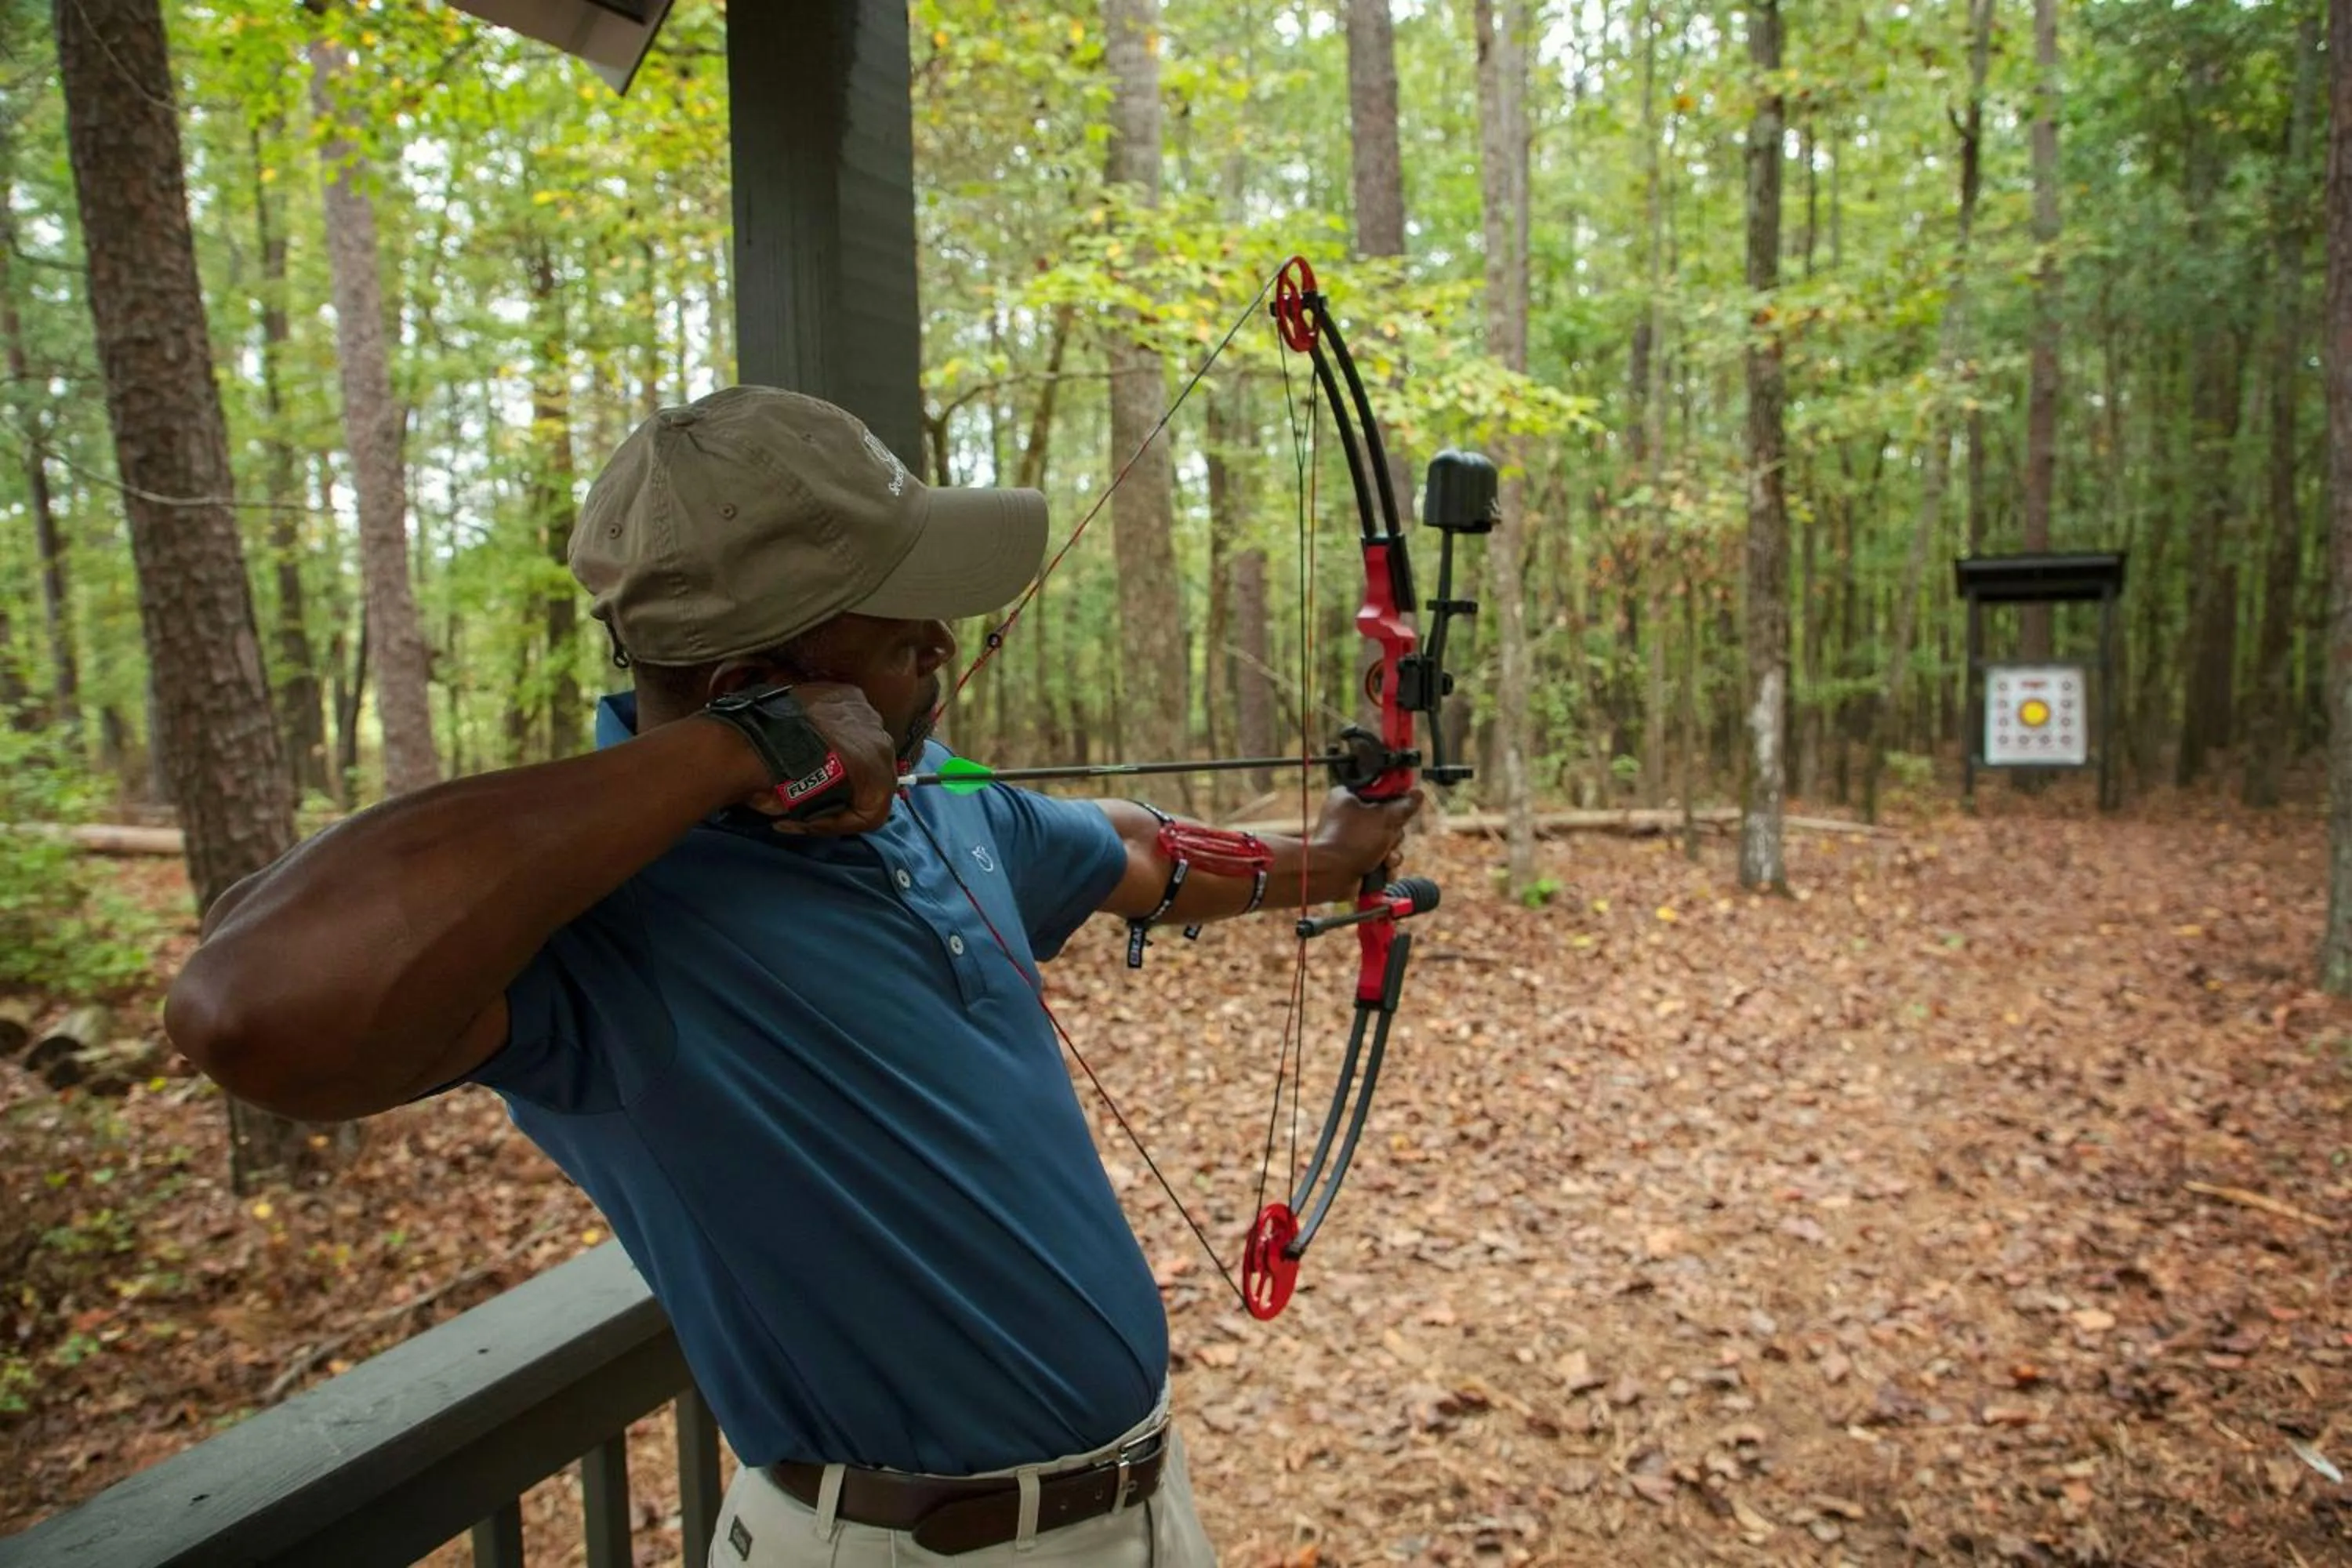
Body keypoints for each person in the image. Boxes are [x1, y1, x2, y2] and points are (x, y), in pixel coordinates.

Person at [165, 386, 1419, 1566]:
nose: (944, 644)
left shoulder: (938, 812)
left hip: (1142, 1512)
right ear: (752, 693)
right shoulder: (594, 929)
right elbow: (244, 1007)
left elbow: (1142, 854)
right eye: (903, 632)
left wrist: (1338, 848)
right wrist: (722, 759)